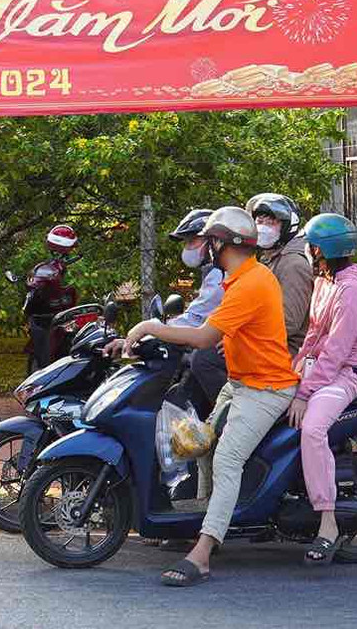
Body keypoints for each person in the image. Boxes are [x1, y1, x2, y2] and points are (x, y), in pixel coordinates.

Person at [108, 206, 299, 587]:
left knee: (227, 459)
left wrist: (150, 326)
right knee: (202, 444)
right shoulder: (241, 277)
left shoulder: (249, 283)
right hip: (242, 382)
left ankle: (204, 552)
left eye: (209, 240)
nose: (205, 246)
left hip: (266, 389)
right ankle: (208, 522)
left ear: (223, 243)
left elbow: (203, 337)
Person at [285, 213, 357, 567]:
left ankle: (327, 522)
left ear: (321, 250)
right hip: (321, 368)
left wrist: (305, 393)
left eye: (310, 245)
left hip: (349, 374)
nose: (306, 250)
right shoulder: (325, 281)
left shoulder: (351, 292)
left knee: (312, 428)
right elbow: (313, 337)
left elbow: (337, 352)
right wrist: (291, 372)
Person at [167, 209, 227, 414]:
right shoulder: (213, 271)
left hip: (238, 350)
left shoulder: (221, 274)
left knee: (201, 361)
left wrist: (153, 330)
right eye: (186, 242)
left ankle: (227, 420)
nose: (188, 248)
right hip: (222, 339)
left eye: (193, 241)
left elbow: (196, 320)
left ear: (213, 241)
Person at [246, 192, 313, 357]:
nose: (263, 227)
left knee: (206, 361)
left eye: (271, 222)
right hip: (267, 342)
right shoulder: (269, 258)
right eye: (259, 221)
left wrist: (243, 337)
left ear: (287, 226)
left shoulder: (293, 265)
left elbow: (287, 323)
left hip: (285, 350)